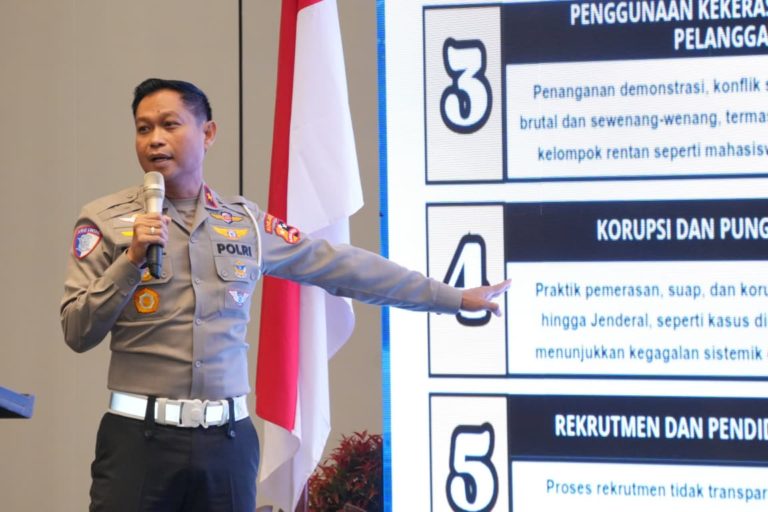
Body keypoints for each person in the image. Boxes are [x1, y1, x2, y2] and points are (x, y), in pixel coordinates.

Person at [60, 78, 510, 512]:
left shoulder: (246, 224)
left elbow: (339, 266)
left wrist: (449, 297)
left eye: (169, 124)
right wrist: (131, 259)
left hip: (227, 444)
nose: (155, 139)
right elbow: (77, 329)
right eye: (143, 129)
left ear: (208, 133)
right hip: (139, 442)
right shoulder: (106, 221)